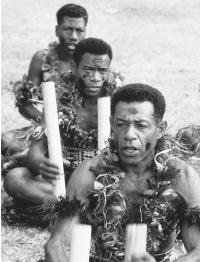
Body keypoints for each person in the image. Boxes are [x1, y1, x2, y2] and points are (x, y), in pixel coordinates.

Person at [3, 83, 200, 262]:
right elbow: (57, 244)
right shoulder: (90, 172)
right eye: (122, 124)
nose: (129, 134)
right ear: (111, 123)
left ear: (159, 129)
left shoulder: (183, 178)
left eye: (141, 125)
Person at [2, 38, 123, 227]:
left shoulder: (118, 103)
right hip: (60, 183)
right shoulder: (58, 102)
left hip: (99, 185)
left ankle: (67, 210)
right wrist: (43, 165)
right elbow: (35, 153)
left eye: (102, 71)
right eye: (89, 70)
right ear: (74, 67)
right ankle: (77, 210)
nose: (96, 78)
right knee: (15, 179)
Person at [1, 3, 88, 172]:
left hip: (81, 131)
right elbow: (24, 104)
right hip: (45, 125)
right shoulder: (42, 58)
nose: (74, 36)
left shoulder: (89, 62)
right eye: (68, 29)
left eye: (80, 30)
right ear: (57, 30)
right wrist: (47, 122)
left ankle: (30, 160)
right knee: (5, 140)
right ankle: (35, 158)